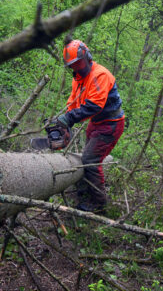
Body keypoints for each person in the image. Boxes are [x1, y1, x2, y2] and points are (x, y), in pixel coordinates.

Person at [56, 38, 125, 213]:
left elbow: (94, 105)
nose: (77, 68)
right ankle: (84, 192)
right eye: (73, 65)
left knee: (90, 161)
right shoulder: (78, 79)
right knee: (84, 158)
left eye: (79, 63)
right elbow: (74, 103)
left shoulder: (100, 75)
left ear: (87, 57)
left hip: (111, 124)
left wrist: (70, 118)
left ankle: (99, 203)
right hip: (96, 123)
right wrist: (64, 121)